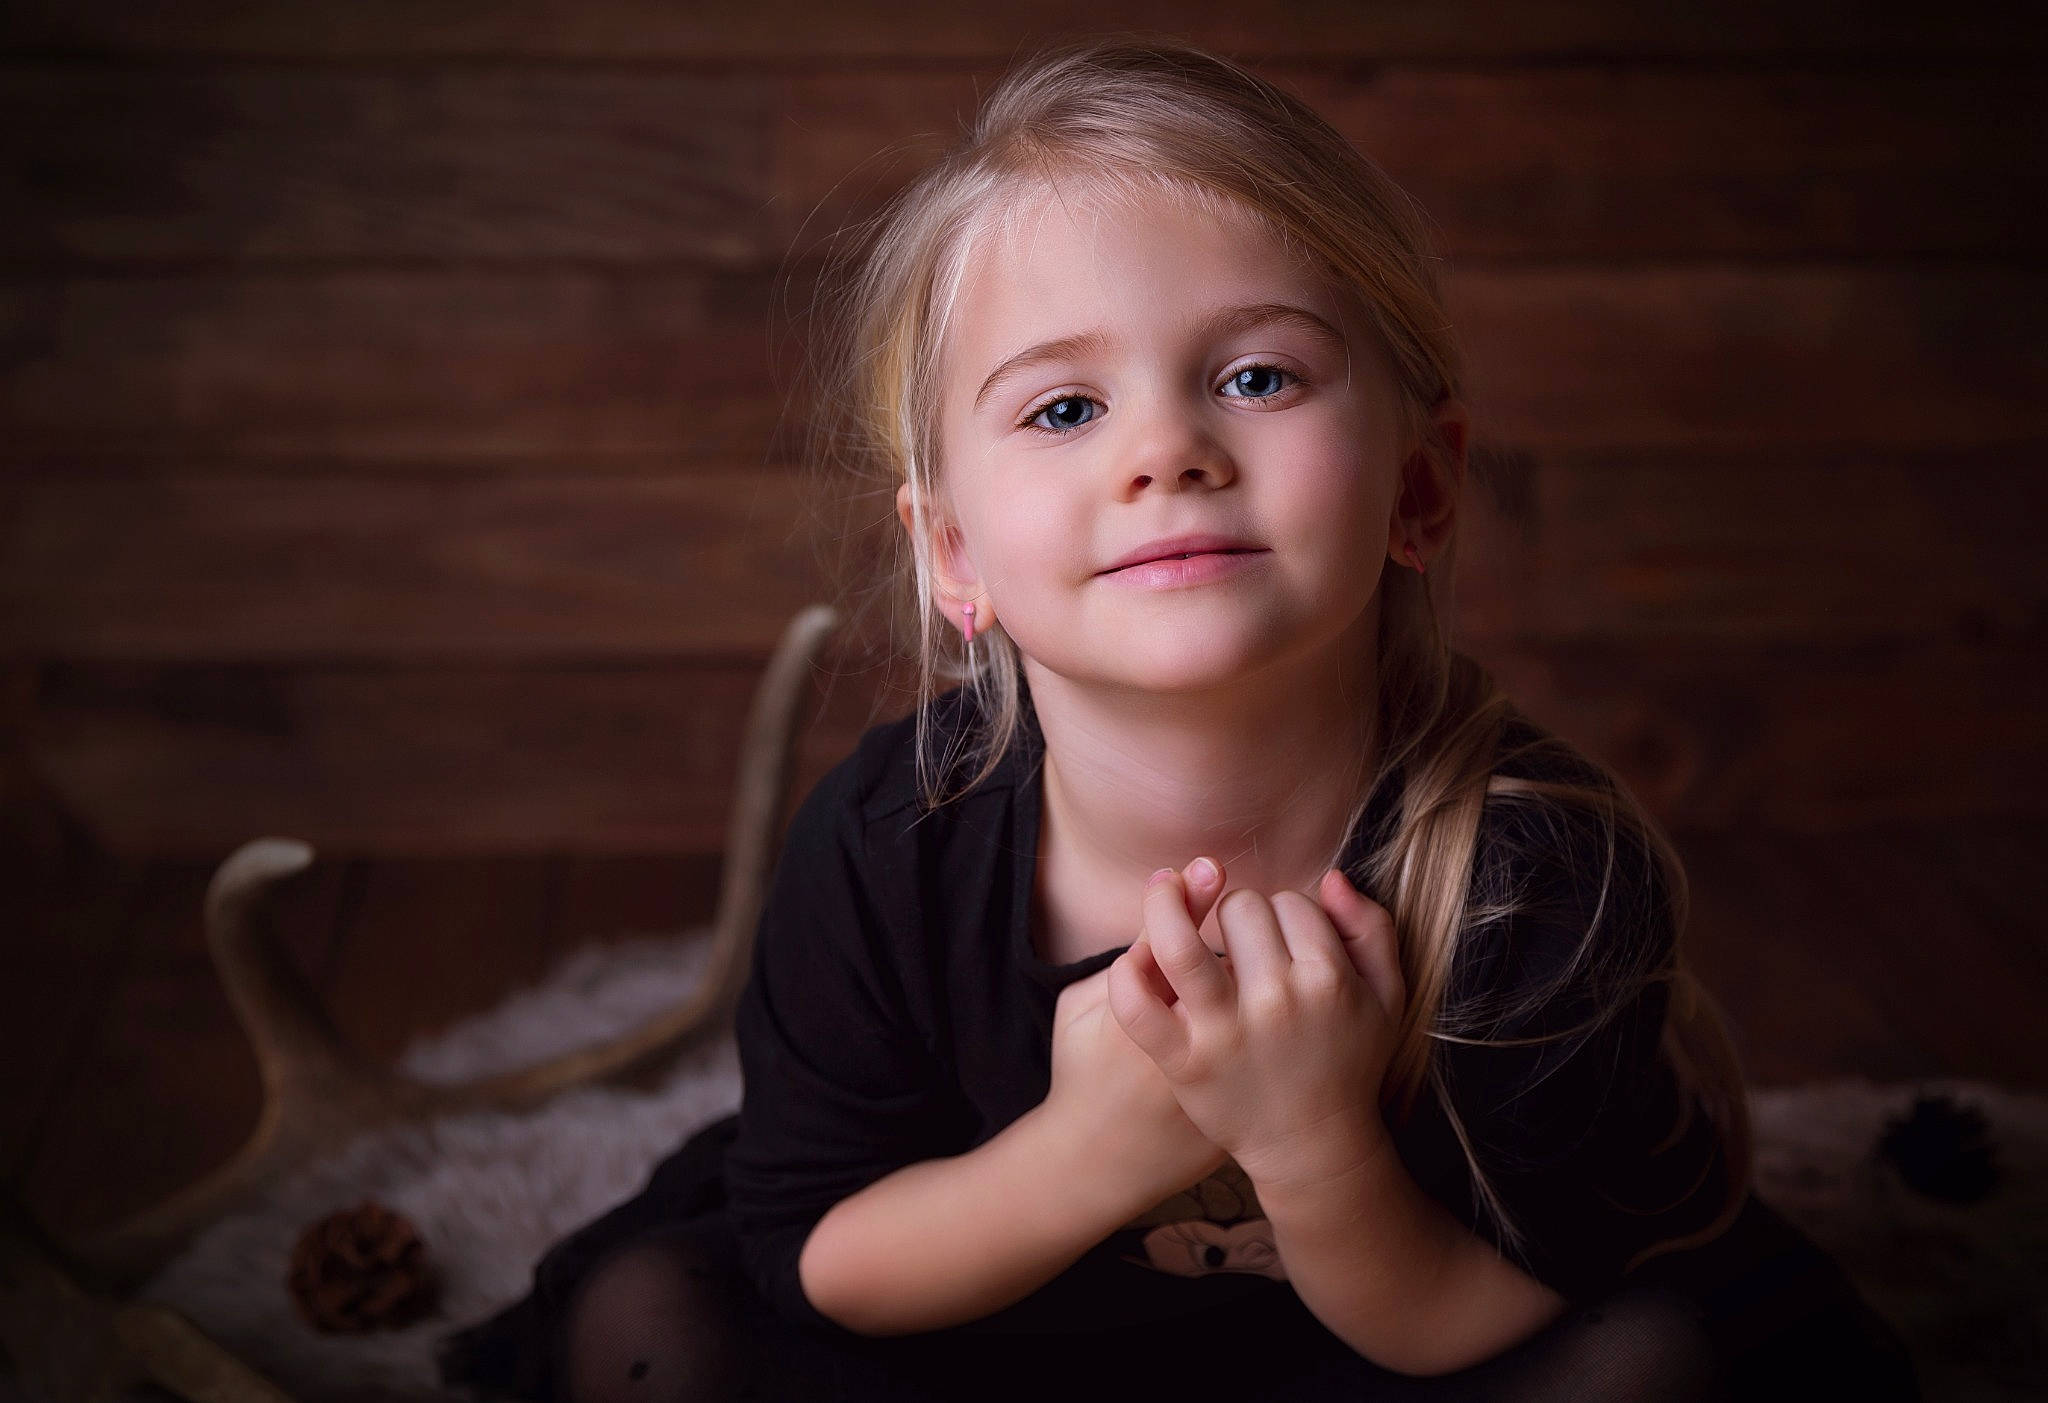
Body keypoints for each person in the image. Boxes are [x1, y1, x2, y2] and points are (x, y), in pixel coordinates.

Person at [436, 35, 1919, 1403]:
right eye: (1064, 410)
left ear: (1420, 486)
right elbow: (826, 1261)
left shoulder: (1540, 869)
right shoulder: (892, 843)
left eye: (1258, 375)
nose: (1167, 449)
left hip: (1394, 1359)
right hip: (989, 1336)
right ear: (954, 553)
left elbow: (1495, 1314)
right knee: (655, 1322)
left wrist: (1309, 1137)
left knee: (1659, 1365)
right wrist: (1096, 1149)